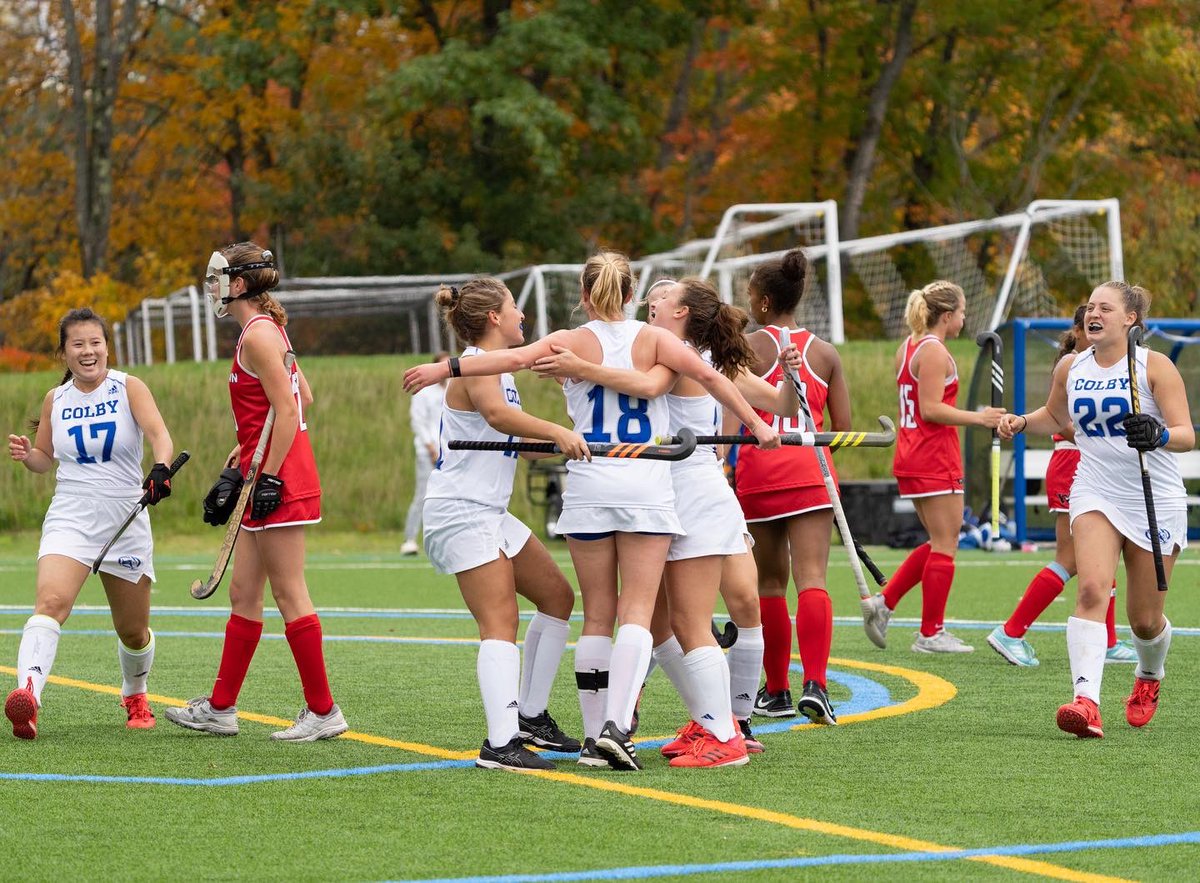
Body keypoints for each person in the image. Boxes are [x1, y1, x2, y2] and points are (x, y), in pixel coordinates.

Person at [404, 251, 779, 771]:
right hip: (646, 489)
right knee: (638, 615)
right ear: (630, 295)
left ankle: (593, 739)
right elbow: (716, 380)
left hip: (587, 492)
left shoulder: (569, 340)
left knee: (595, 615)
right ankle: (618, 730)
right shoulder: (656, 341)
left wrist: (445, 365)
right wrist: (757, 427)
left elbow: (506, 361)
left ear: (583, 296)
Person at [533, 276, 802, 765]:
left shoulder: (672, 358)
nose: (652, 303)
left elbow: (644, 385)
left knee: (691, 621)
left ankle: (725, 733)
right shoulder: (672, 350)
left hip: (691, 494)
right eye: (651, 296)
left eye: (663, 298)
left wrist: (580, 366)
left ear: (679, 313)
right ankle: (710, 719)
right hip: (669, 493)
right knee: (660, 625)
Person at [164, 242, 348, 742]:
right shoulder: (264, 330)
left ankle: (324, 710)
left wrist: (265, 472)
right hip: (263, 472)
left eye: (217, 278)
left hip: (278, 483)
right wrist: (241, 452)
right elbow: (299, 395)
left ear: (239, 284)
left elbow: (291, 410)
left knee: (290, 592)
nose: (212, 288)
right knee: (244, 592)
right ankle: (221, 708)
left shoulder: (259, 335)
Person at [999, 282, 1193, 738]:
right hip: (1095, 491)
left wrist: (1159, 435)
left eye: (1106, 308)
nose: (1094, 313)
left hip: (1154, 499)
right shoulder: (1072, 365)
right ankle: (1085, 701)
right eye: (1091, 306)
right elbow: (1056, 415)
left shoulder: (1154, 367)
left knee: (1144, 621)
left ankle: (1149, 677)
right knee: (1090, 589)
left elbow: (1186, 432)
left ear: (1130, 320)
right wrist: (1024, 422)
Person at [422, 278, 590, 770]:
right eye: (514, 306)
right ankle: (500, 744)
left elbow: (510, 433)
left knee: (558, 598)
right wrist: (558, 430)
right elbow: (496, 417)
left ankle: (532, 716)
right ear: (494, 317)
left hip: (488, 511)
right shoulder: (477, 364)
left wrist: (570, 442)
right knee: (499, 623)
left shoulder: (502, 369)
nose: (521, 315)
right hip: (460, 510)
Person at [5, 308, 175, 739]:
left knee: (133, 631)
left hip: (125, 517)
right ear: (64, 353)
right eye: (77, 344)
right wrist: (30, 456)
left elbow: (160, 434)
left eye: (94, 342)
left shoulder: (128, 387)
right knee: (50, 603)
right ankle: (28, 697)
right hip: (71, 515)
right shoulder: (55, 399)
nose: (88, 351)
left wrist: (160, 468)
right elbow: (46, 460)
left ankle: (135, 693)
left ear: (106, 347)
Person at [729, 249, 850, 724]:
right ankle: (815, 685)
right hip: (810, 473)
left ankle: (776, 690)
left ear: (761, 302)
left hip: (758, 472)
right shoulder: (825, 352)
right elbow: (841, 427)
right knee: (812, 578)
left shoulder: (744, 349)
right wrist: (810, 463)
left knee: (769, 583)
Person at [987, 306, 1137, 667]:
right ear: (1079, 329)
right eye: (1092, 322)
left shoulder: (1097, 362)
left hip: (1088, 466)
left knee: (1103, 560)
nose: (1099, 329)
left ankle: (1110, 640)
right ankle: (1011, 631)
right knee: (1069, 560)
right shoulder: (1074, 363)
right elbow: (1068, 423)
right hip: (1074, 464)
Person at [862, 280, 1004, 653]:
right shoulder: (934, 352)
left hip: (914, 455)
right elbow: (931, 409)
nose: (964, 318)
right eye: (961, 312)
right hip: (932, 455)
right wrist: (981, 418)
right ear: (946, 315)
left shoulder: (908, 346)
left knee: (939, 540)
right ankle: (930, 633)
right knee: (946, 543)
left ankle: (885, 602)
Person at [402, 351, 450, 556]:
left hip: (449, 452)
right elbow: (418, 422)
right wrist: (431, 448)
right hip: (427, 452)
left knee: (449, 498)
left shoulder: (452, 390)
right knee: (422, 495)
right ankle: (410, 540)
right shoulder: (424, 392)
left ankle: (444, 542)